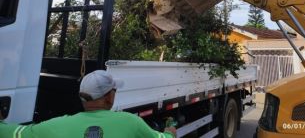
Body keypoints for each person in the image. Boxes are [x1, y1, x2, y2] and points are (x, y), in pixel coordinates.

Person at [0, 70, 176, 138]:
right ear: (109, 97)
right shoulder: (131, 123)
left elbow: (13, 133)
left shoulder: (55, 127)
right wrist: (170, 132)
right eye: (114, 90)